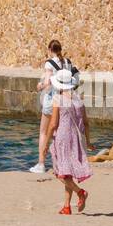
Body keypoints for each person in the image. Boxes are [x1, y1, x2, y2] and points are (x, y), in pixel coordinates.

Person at [48, 66, 93, 214]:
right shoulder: (78, 100)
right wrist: (88, 141)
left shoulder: (58, 99)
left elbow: (53, 123)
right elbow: (86, 122)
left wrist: (46, 139)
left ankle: (81, 193)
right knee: (67, 172)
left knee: (60, 173)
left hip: (62, 138)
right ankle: (66, 207)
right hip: (76, 139)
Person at [29, 39, 76, 174]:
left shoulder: (49, 63)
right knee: (59, 132)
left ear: (50, 50)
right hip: (66, 100)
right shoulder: (68, 62)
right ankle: (62, 163)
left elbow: (47, 83)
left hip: (52, 100)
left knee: (44, 132)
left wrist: (39, 86)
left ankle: (41, 164)